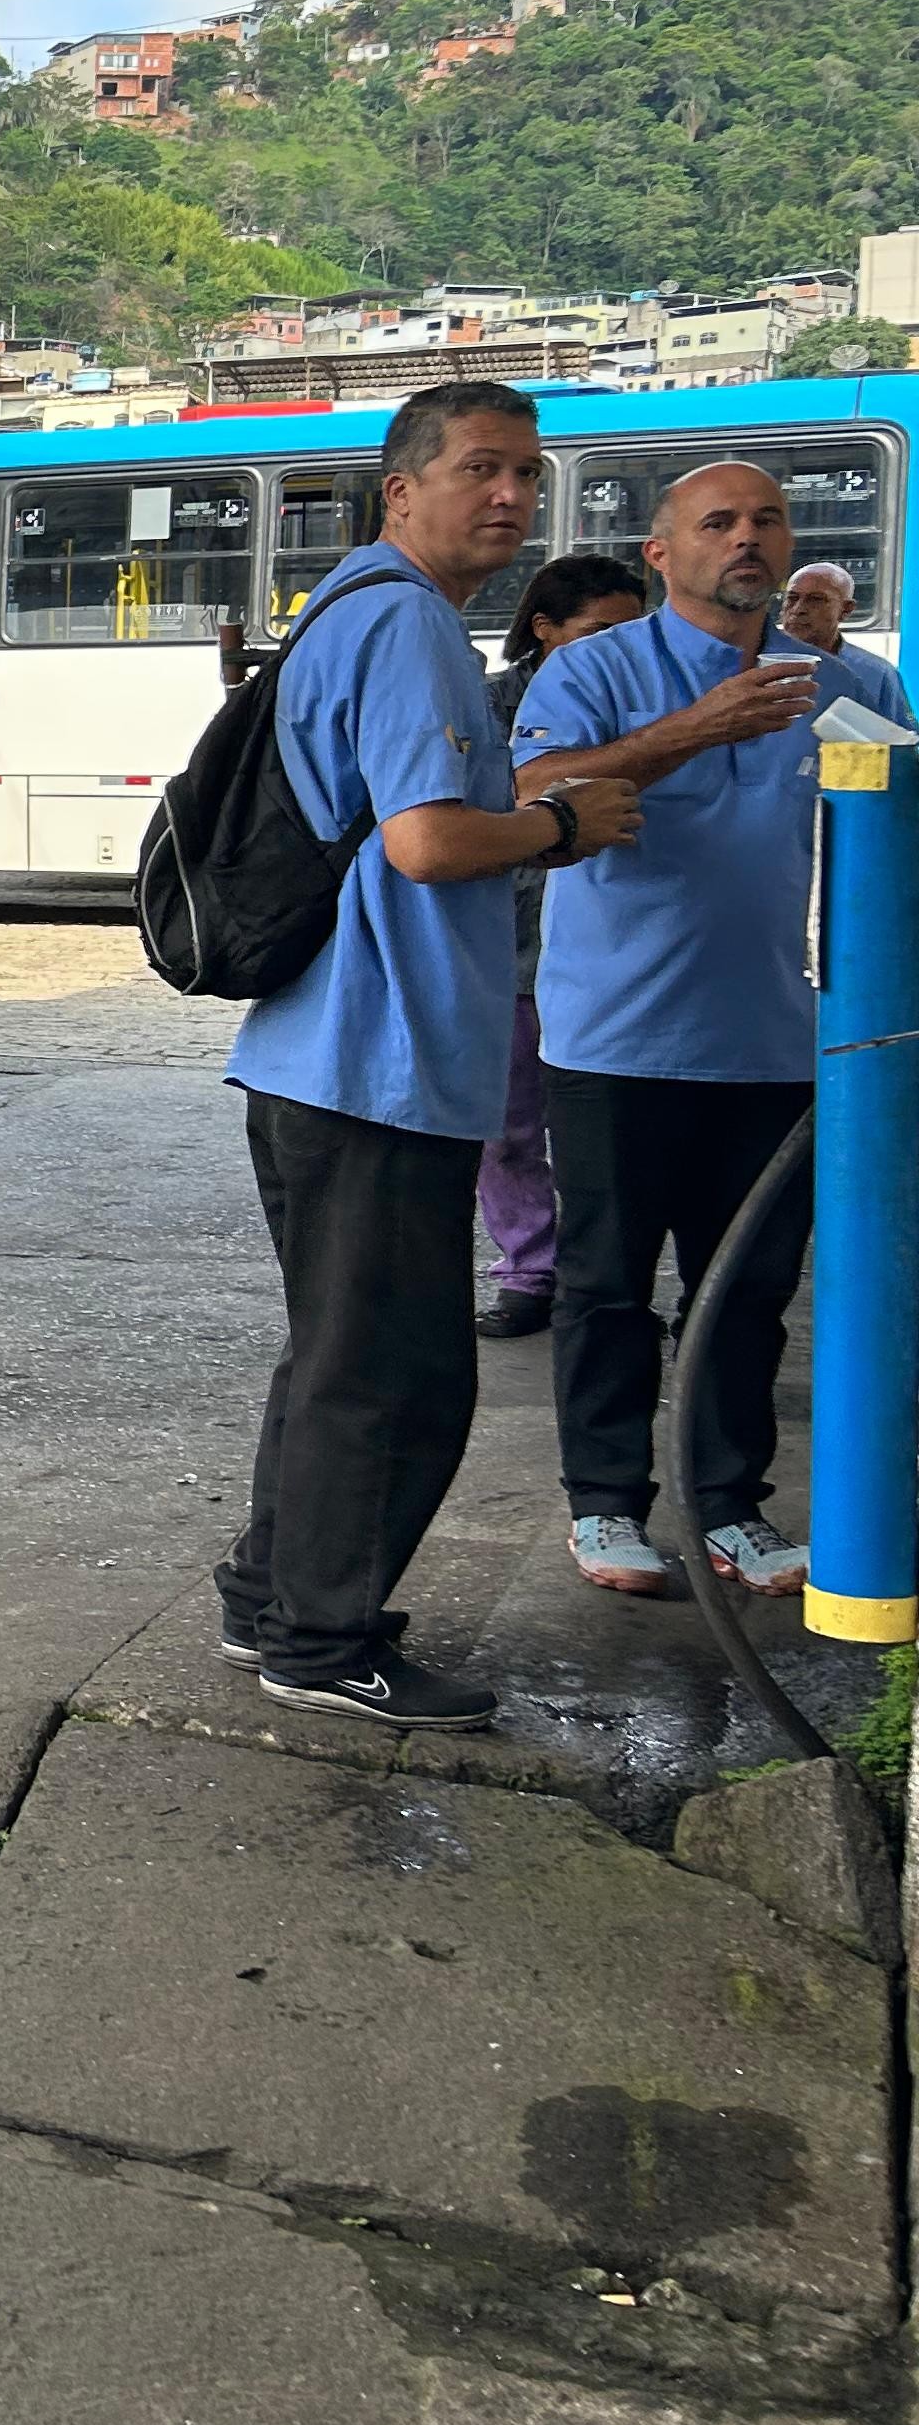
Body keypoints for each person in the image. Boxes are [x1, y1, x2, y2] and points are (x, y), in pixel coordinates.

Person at [217, 384, 642, 1731]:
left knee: (334, 1355)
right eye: (480, 469)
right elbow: (425, 841)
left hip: (314, 1050)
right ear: (403, 489)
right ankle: (325, 1641)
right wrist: (568, 827)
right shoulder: (404, 621)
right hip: (376, 1057)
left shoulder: (349, 605)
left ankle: (267, 1597)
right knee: (399, 1375)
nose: (510, 495)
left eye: (526, 472)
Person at [516, 463, 861, 1603]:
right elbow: (538, 794)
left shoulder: (849, 686)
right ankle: (606, 1502)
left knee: (747, 1292)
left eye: (767, 519)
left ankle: (732, 1509)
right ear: (663, 554)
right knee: (607, 1287)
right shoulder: (598, 669)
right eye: (718, 523)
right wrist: (697, 728)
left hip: (772, 1037)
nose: (746, 540)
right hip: (614, 1038)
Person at [470, 554, 650, 1344]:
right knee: (508, 1125)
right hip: (512, 948)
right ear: (543, 630)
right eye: (598, 632)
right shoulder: (486, 709)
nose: (620, 647)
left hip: (624, 955)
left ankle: (616, 1273)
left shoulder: (655, 703)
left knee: (620, 1127)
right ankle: (529, 1268)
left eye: (634, 631)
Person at [778, 560, 914, 727]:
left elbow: (900, 743)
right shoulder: (754, 661)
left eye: (815, 600)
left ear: (846, 609)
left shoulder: (877, 674)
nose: (798, 609)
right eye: (792, 598)